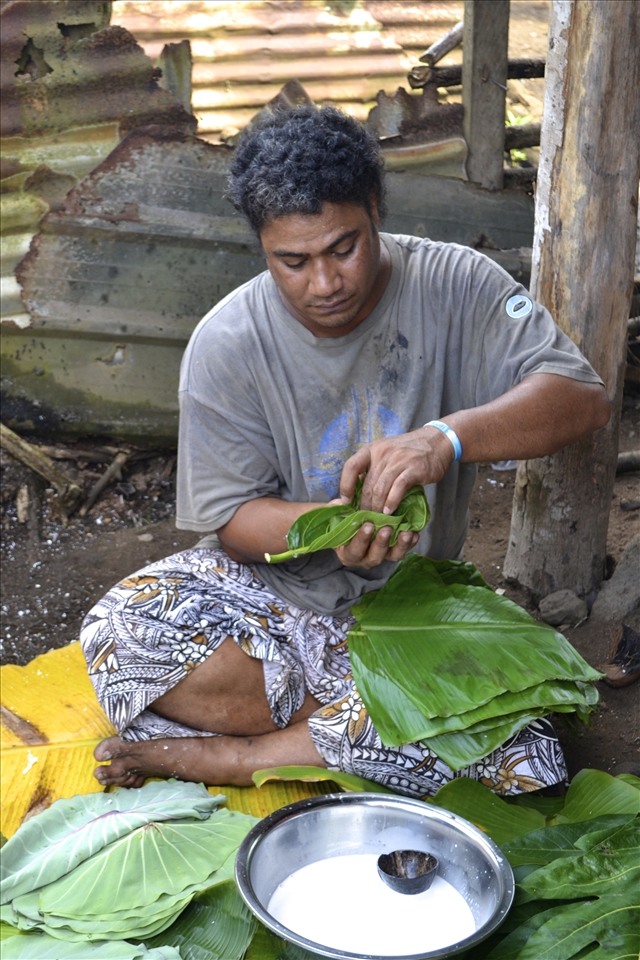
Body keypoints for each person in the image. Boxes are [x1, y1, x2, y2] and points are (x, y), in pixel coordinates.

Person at [81, 106, 610, 798]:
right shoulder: (226, 343)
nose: (324, 283)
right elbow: (235, 526)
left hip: (417, 613)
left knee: (532, 761)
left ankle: (237, 756)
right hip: (270, 599)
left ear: (375, 209)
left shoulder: (456, 283)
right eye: (293, 262)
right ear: (262, 246)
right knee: (120, 632)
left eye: (343, 248)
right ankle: (378, 729)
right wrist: (334, 527)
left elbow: (581, 398)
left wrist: (446, 438)